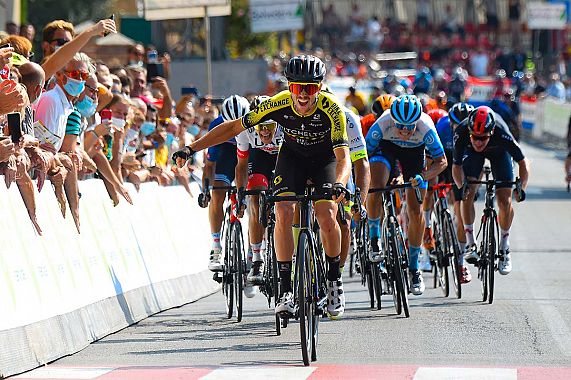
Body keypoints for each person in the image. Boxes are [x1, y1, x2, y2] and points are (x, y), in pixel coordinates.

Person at [173, 55, 351, 319]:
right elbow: (232, 128)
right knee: (283, 212)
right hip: (291, 157)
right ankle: (286, 289)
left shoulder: (332, 109)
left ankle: (334, 280)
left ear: (320, 87)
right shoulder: (278, 103)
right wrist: (191, 148)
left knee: (326, 213)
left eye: (310, 88)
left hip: (324, 159)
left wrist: (339, 184)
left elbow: (343, 157)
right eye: (296, 87)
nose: (302, 95)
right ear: (289, 86)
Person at [365, 95, 447, 295]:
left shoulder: (426, 127)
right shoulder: (382, 123)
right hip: (386, 150)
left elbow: (441, 162)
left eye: (410, 127)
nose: (404, 131)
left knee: (416, 209)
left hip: (415, 155)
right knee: (376, 184)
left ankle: (414, 267)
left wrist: (423, 176)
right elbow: (362, 157)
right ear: (392, 120)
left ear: (417, 122)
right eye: (400, 126)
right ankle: (375, 237)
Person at [452, 106, 530, 275]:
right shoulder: (462, 132)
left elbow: (524, 162)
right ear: (469, 132)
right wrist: (461, 186)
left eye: (483, 138)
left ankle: (504, 247)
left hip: (500, 153)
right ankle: (471, 244)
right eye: (475, 137)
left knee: (504, 200)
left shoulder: (502, 133)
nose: (478, 142)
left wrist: (521, 188)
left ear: (492, 132)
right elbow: (456, 167)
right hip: (472, 155)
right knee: (468, 193)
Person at [235, 95, 283, 288]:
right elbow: (241, 166)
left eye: (269, 127)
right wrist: (240, 194)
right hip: (259, 159)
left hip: (283, 157)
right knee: (254, 197)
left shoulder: (286, 127)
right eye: (260, 126)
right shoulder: (245, 130)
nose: (264, 131)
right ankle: (257, 259)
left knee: (288, 199)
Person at [200, 95, 249, 273]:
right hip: (226, 154)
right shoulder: (216, 126)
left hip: (247, 155)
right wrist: (206, 189)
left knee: (256, 194)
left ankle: (256, 251)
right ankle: (216, 247)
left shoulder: (253, 123)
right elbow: (210, 165)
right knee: (218, 194)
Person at [428, 102, 475, 283]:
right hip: (443, 156)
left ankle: (461, 261)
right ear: (450, 123)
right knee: (431, 184)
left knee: (461, 207)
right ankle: (427, 225)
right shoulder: (441, 127)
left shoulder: (470, 132)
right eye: (456, 125)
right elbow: (433, 156)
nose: (460, 128)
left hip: (460, 160)